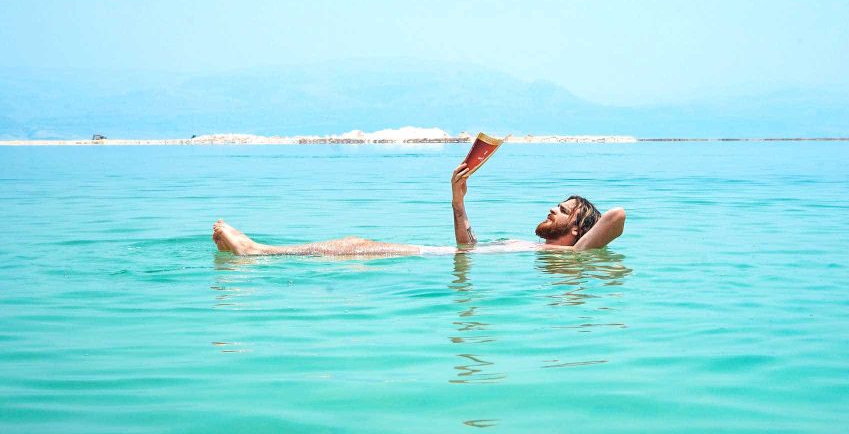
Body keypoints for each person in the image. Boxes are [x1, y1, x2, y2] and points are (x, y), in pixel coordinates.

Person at [212, 162, 626, 257]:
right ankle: (260, 251)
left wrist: (581, 244)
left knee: (354, 247)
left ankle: (257, 253)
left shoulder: (571, 257)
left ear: (577, 228)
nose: (552, 209)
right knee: (355, 246)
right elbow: (469, 248)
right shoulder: (544, 252)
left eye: (563, 210)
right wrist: (458, 197)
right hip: (446, 256)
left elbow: (616, 216)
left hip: (430, 260)